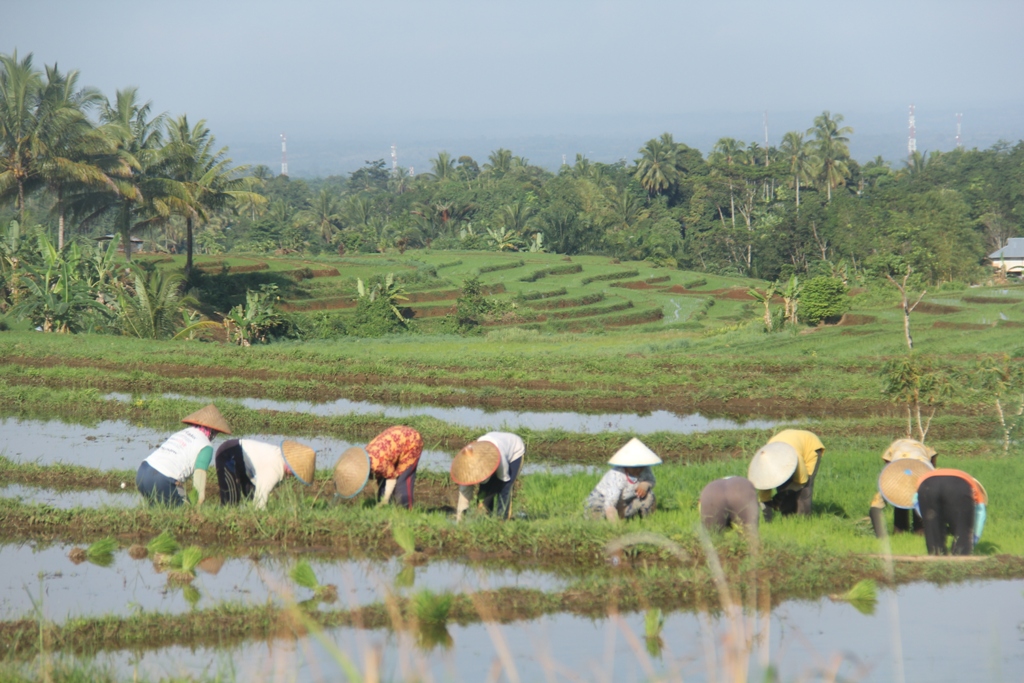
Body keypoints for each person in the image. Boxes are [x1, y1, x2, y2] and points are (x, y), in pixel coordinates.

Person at [136, 404, 231, 506]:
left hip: (142, 472)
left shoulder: (182, 433)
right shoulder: (206, 446)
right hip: (162, 479)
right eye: (216, 432)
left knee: (157, 512)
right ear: (212, 431)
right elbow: (199, 476)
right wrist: (199, 500)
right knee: (186, 513)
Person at [214, 438, 316, 509]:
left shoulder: (281, 458)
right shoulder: (274, 469)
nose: (293, 475)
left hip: (245, 465)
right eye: (294, 472)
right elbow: (261, 496)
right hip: (228, 454)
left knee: (251, 496)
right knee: (230, 503)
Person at [748, 429, 825, 520]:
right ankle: (788, 517)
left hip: (809, 446)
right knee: (782, 486)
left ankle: (804, 520)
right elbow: (764, 497)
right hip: (787, 440)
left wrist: (783, 494)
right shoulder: (764, 464)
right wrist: (768, 519)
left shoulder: (795, 456)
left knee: (804, 491)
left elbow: (802, 482)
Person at [450, 432, 526, 522]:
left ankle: (502, 520)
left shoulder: (500, 459)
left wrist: (485, 502)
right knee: (485, 489)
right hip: (495, 441)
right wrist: (460, 520)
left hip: (514, 450)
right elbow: (465, 493)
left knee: (505, 487)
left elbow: (504, 482)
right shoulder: (467, 465)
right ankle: (486, 519)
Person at [869, 439, 937, 537]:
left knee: (897, 499)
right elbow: (933, 460)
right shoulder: (923, 448)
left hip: (904, 471)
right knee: (919, 501)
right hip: (921, 471)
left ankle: (891, 534)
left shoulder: (894, 447)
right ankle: (919, 533)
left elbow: (888, 466)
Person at [585, 437, 661, 521]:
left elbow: (651, 480)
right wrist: (616, 526)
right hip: (603, 501)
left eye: (641, 467)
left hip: (626, 501)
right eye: (634, 467)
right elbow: (610, 505)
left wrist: (644, 485)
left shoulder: (645, 469)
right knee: (596, 516)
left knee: (649, 495)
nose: (638, 470)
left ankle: (645, 520)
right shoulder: (617, 475)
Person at [914, 468, 987, 556]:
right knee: (962, 528)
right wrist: (973, 539)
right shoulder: (973, 486)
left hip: (926, 484)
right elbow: (980, 514)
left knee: (933, 534)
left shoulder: (927, 477)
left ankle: (936, 557)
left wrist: (928, 518)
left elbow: (915, 502)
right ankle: (961, 556)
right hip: (959, 486)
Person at [366, 426, 423, 509]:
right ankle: (386, 508)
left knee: (402, 481)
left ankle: (405, 509)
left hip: (411, 441)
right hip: (395, 443)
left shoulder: (378, 465)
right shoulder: (365, 455)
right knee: (383, 481)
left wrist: (385, 499)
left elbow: (391, 478)